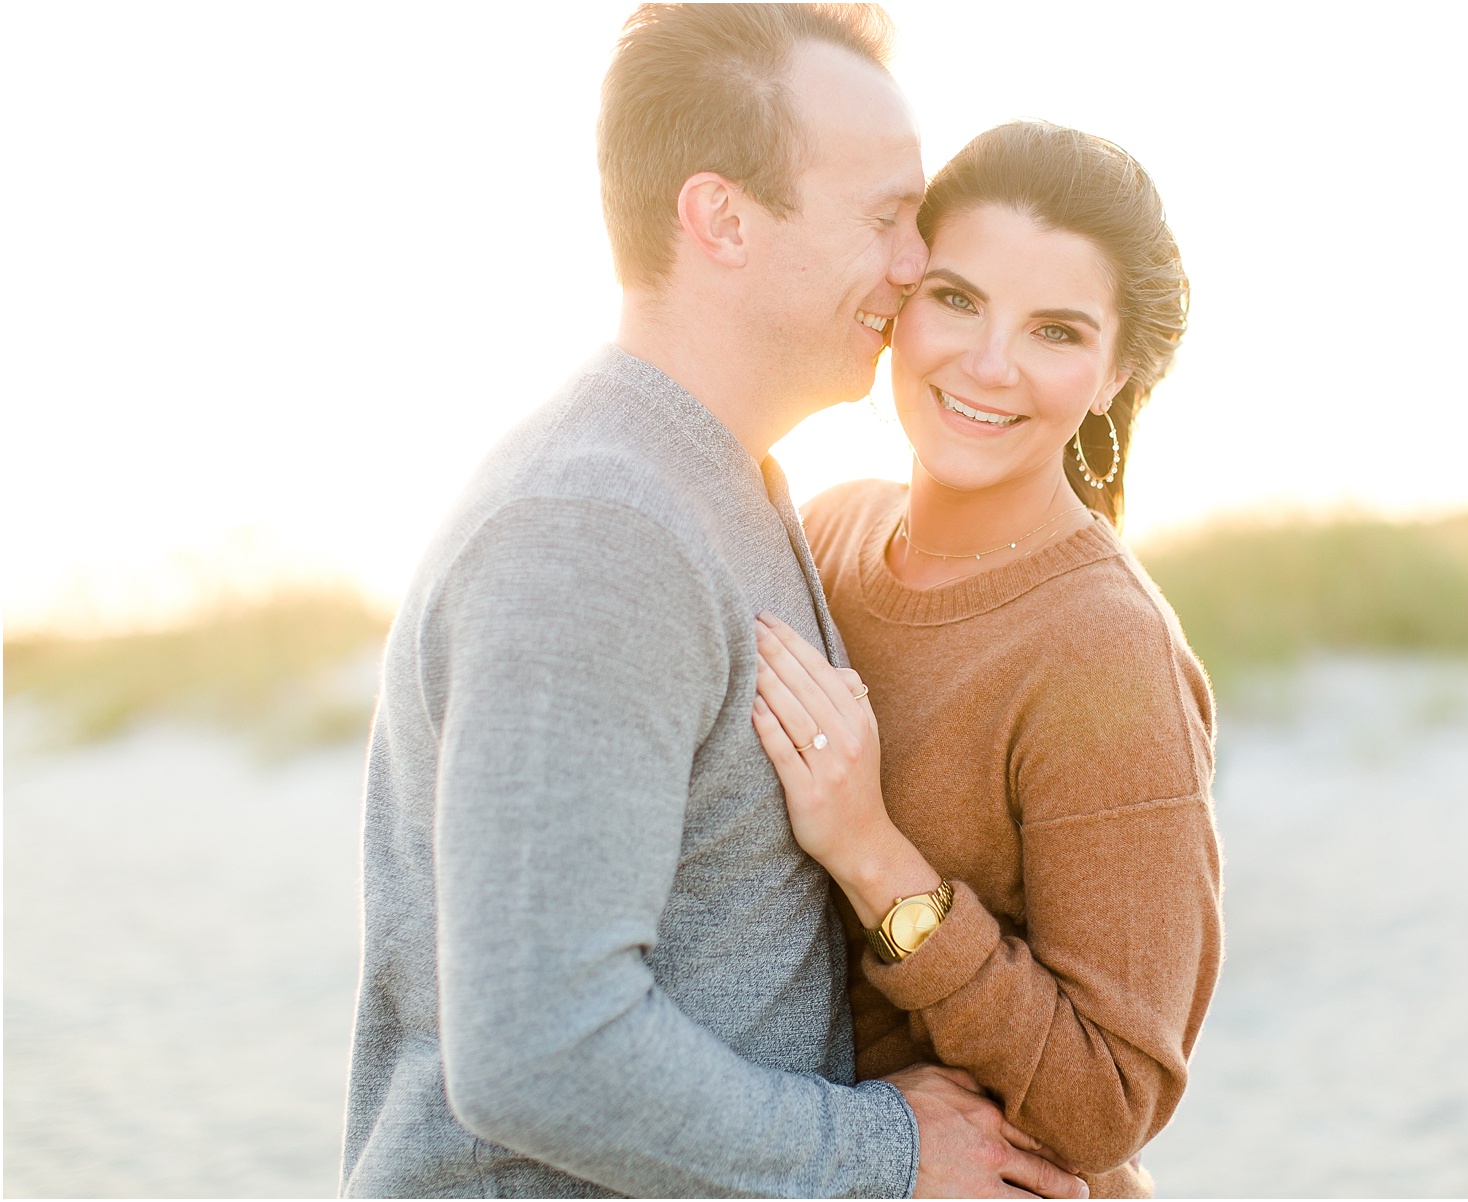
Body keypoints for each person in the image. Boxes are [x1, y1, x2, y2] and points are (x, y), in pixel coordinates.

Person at [339, 7, 1087, 1197]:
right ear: (722, 218)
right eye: (886, 217)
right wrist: (886, 1151)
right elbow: (541, 1048)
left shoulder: (727, 480)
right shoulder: (594, 530)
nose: (916, 264)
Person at [749, 121, 1224, 1198]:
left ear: (1115, 374)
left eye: (1055, 330)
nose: (990, 362)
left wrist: (875, 855)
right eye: (956, 299)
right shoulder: (824, 532)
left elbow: (1108, 1103)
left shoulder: (1105, 648)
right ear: (898, 297)